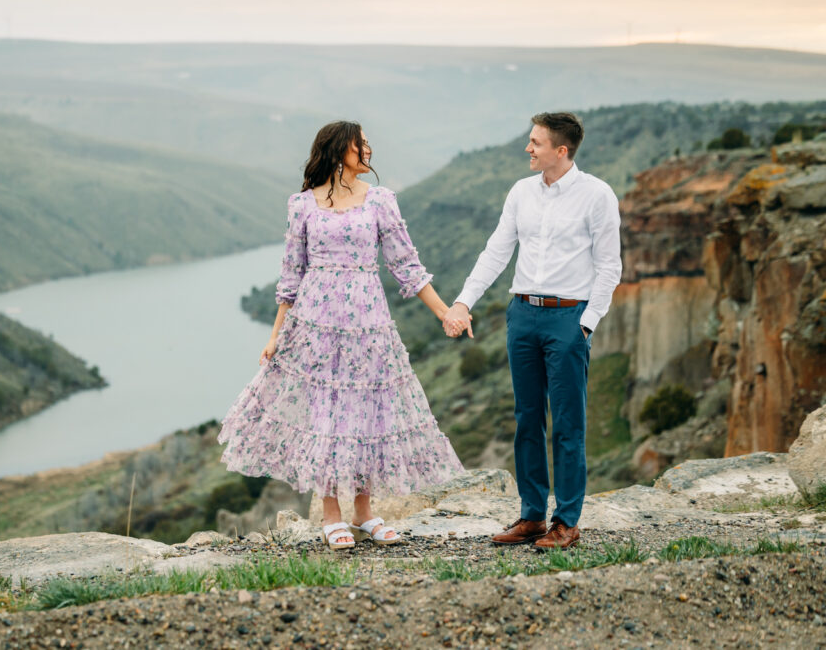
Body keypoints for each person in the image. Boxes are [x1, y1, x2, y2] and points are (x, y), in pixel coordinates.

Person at [219, 120, 464, 551]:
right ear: (338, 150)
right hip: (314, 323)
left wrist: (446, 313)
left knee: (368, 411)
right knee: (326, 415)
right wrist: (275, 335)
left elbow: (406, 266)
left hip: (368, 322)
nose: (368, 150)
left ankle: (364, 512)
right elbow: (291, 276)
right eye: (360, 144)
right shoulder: (302, 206)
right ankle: (331, 514)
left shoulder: (381, 202)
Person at [443, 112, 621, 549]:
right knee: (526, 419)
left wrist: (586, 323)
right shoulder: (521, 192)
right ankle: (531, 516)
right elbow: (496, 251)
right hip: (522, 314)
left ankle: (567, 522)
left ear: (561, 150)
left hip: (568, 318)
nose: (528, 148)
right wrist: (464, 301)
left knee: (567, 424)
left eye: (536, 142)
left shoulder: (597, 195)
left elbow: (610, 265)